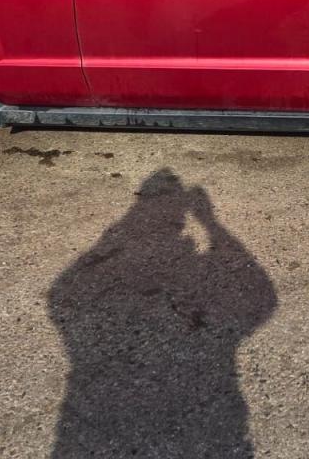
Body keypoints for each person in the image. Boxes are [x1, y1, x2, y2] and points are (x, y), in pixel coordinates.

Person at [48, 169, 277, 458]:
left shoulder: (85, 293)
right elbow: (262, 299)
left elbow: (61, 295)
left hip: (89, 421)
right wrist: (211, 224)